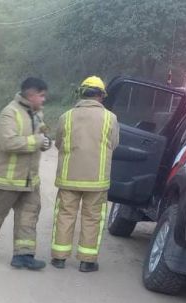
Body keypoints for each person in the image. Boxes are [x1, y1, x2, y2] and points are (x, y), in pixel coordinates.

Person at [0, 77, 52, 270]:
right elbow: (8, 142)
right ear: (31, 94)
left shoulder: (36, 114)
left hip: (29, 180)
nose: (44, 99)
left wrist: (45, 142)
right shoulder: (9, 113)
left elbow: (41, 135)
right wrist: (37, 141)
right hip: (6, 180)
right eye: (42, 95)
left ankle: (24, 255)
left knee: (29, 216)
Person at [50, 76, 119, 272]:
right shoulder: (110, 118)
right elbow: (114, 144)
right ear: (101, 96)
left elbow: (58, 143)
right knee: (92, 218)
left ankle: (59, 258)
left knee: (65, 215)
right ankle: (87, 261)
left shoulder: (66, 116)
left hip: (68, 178)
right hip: (97, 181)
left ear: (81, 93)